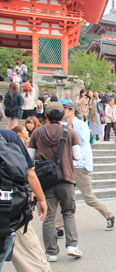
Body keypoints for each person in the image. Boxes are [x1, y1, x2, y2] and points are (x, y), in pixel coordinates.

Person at [0, 128, 72, 272]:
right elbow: (29, 172)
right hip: (9, 212)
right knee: (30, 254)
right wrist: (40, 198)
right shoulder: (7, 137)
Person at [28, 101, 82, 262]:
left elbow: (30, 157)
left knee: (49, 215)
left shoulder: (37, 133)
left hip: (45, 180)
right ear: (61, 115)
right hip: (65, 176)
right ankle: (72, 245)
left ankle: (51, 252)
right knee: (68, 212)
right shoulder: (70, 132)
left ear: (46, 116)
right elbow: (77, 156)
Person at [62, 102, 116, 231]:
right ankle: (59, 226)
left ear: (71, 110)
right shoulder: (64, 126)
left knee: (88, 197)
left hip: (80, 165)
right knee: (63, 195)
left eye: (64, 109)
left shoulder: (80, 124)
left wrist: (75, 161)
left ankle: (109, 215)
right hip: (68, 164)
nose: (62, 112)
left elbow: (84, 144)